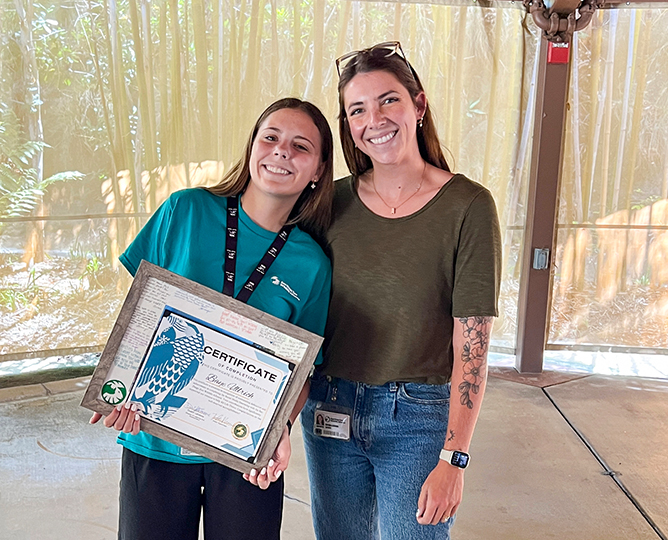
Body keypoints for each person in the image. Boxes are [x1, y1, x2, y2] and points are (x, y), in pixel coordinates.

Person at [89, 97, 334, 540]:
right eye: (271, 138)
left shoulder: (311, 263)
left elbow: (303, 372)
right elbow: (140, 314)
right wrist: (121, 385)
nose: (282, 152)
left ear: (318, 170)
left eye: (301, 147)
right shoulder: (184, 211)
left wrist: (279, 432)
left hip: (243, 454)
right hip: (155, 441)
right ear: (252, 147)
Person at [301, 42, 502, 540]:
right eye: (357, 109)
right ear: (348, 124)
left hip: (418, 417)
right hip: (329, 408)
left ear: (419, 104)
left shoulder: (468, 205)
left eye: (388, 100)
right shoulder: (332, 201)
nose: (376, 119)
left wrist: (454, 458)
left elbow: (471, 345)